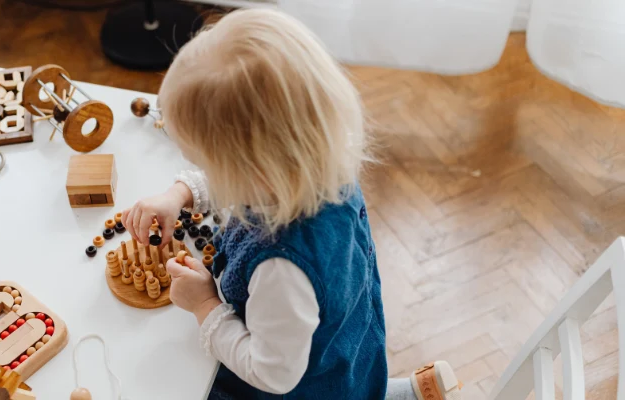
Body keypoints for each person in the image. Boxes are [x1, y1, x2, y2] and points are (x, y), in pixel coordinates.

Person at [121, 8, 462, 400]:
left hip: (301, 386)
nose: (201, 172)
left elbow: (273, 373)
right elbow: (243, 181)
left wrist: (204, 307)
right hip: (346, 347)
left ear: (249, 172)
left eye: (205, 165)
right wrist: (179, 194)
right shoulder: (319, 163)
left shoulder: (281, 269)